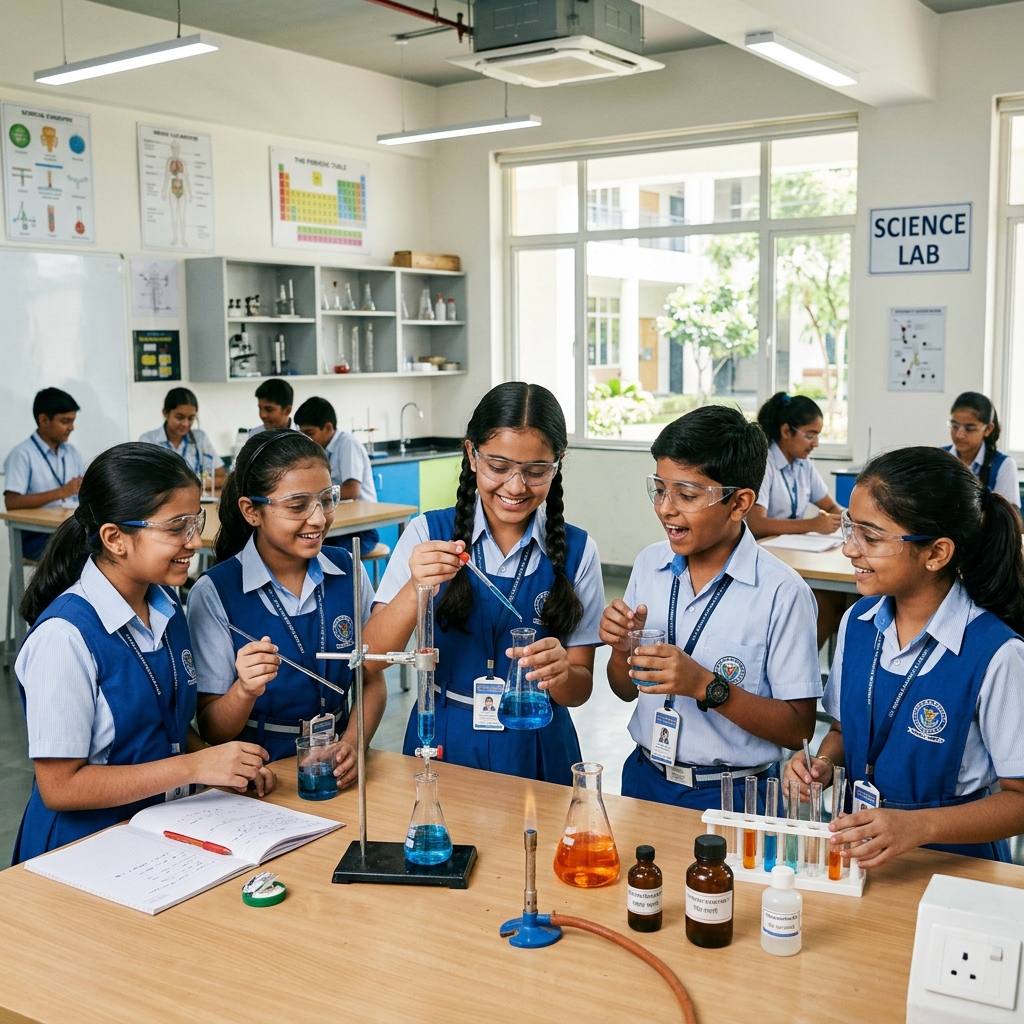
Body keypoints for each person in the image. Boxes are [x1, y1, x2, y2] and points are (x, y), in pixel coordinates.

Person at [11, 443, 274, 865]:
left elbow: (165, 727)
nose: (195, 541)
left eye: (195, 521)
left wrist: (224, 769)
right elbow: (60, 787)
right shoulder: (63, 637)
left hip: (155, 831)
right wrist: (195, 767)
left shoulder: (166, 606)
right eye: (176, 528)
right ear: (115, 539)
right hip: (80, 850)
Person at [785, 447, 1024, 865]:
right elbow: (842, 730)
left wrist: (919, 826)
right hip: (861, 852)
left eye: (872, 537)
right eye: (851, 528)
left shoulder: (997, 654)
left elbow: (1019, 799)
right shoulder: (858, 622)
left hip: (957, 864)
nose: (850, 549)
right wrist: (822, 763)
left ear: (936, 554)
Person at [364, 382, 604, 784]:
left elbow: (579, 690)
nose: (515, 486)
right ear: (472, 455)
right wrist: (416, 587)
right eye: (499, 467)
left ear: (558, 463)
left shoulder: (578, 551)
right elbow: (372, 658)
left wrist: (562, 673)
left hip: (536, 741)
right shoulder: (428, 534)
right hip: (445, 735)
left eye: (536, 471)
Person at [600, 405, 821, 811]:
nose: (666, 508)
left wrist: (705, 685)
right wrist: (620, 650)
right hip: (646, 777)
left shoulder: (782, 593)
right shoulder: (650, 564)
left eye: (686, 495)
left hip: (735, 793)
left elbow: (798, 729)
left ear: (739, 504)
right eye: (659, 489)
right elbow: (624, 689)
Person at [186, 430, 384, 788]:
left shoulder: (348, 570)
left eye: (326, 499)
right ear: (252, 511)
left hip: (336, 766)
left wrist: (354, 743)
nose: (318, 519)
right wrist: (244, 690)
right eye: (297, 506)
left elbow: (371, 680)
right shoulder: (215, 593)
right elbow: (213, 729)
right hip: (261, 778)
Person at [747, 391, 847, 649]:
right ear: (786, 431)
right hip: (763, 554)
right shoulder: (765, 462)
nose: (815, 443)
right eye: (810, 435)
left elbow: (830, 506)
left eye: (818, 435)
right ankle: (799, 666)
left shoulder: (803, 464)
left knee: (842, 600)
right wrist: (813, 525)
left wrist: (852, 518)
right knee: (827, 604)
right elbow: (757, 523)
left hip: (794, 553)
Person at [4, 388, 86, 560]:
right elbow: (11, 502)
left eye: (72, 421)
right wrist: (61, 492)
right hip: (35, 535)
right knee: (79, 555)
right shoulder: (22, 454)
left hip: (68, 528)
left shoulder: (72, 452)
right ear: (43, 420)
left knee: (104, 547)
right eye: (65, 421)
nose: (71, 428)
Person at [294, 396, 379, 554]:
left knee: (322, 552)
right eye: (302, 433)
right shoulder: (319, 449)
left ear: (328, 428)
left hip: (360, 530)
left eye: (310, 433)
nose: (305, 439)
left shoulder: (347, 445)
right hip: (337, 523)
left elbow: (351, 491)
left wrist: (312, 496)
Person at [941, 391, 1020, 509]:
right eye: (955, 426)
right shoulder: (940, 457)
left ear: (988, 429)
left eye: (969, 429)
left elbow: (1007, 515)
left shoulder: (1003, 464)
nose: (959, 435)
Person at [139, 386, 225, 489]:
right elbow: (145, 483)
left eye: (191, 418)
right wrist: (194, 485)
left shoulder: (200, 438)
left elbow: (221, 477)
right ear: (165, 413)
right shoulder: (148, 441)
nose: (185, 424)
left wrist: (188, 487)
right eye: (179, 417)